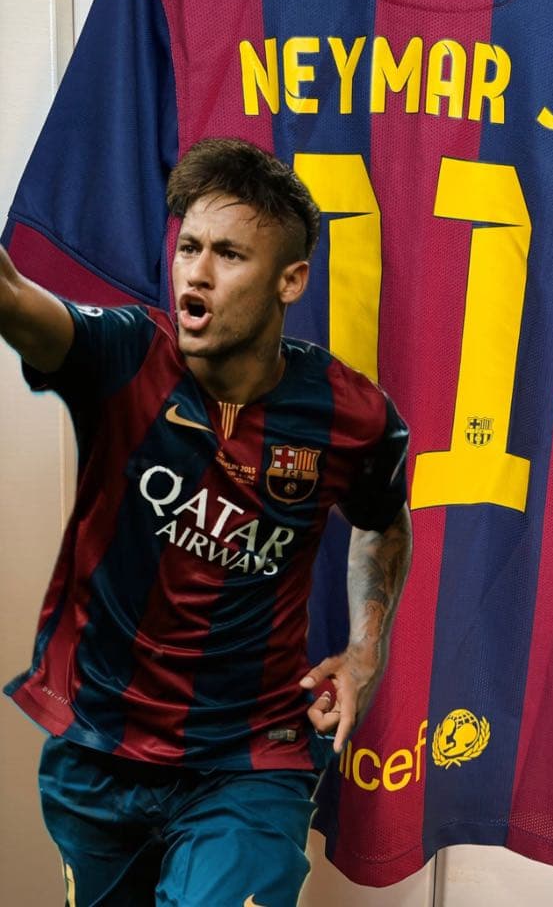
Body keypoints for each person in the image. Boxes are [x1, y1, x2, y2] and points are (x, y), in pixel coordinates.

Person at [0, 138, 412, 907]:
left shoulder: (349, 415)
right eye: (189, 246)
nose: (195, 271)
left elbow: (383, 521)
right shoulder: (124, 355)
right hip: (100, 752)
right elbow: (13, 297)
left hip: (250, 760)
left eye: (228, 254)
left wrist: (364, 651)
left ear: (290, 280)